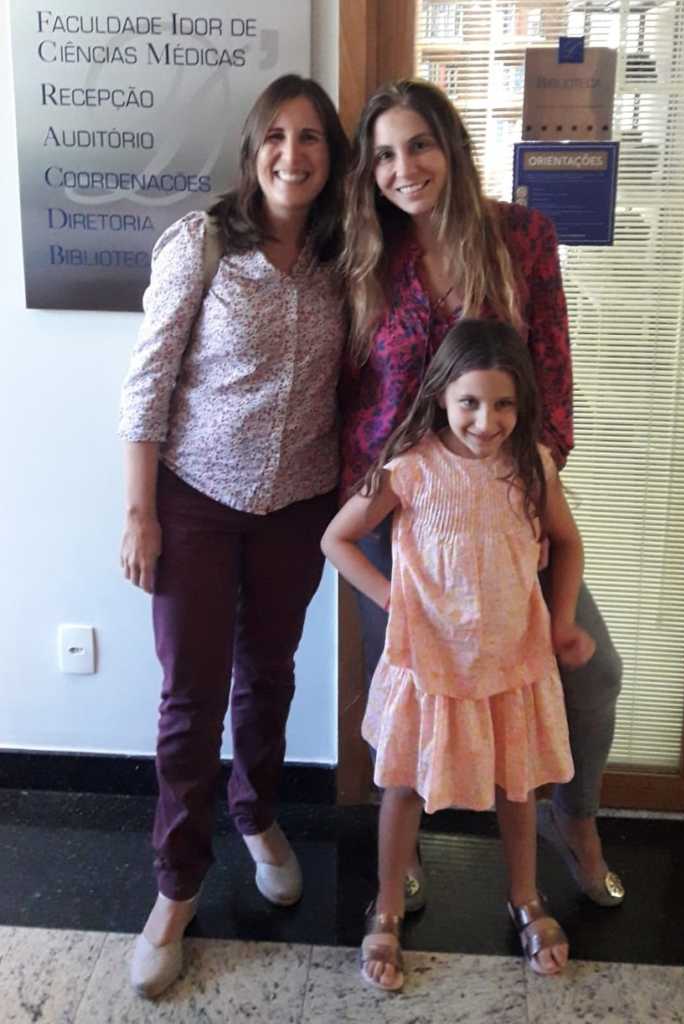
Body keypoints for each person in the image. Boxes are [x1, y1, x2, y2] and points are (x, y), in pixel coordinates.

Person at [340, 79, 624, 915]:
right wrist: (369, 491)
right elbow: (349, 388)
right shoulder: (364, 254)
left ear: (451, 148)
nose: (403, 168)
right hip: (403, 517)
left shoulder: (520, 237)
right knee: (408, 696)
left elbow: (552, 370)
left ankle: (575, 822)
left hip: (503, 505)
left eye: (418, 145)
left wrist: (529, 480)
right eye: (383, 155)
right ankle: (402, 851)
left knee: (590, 675)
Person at [118, 73, 349, 999]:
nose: (293, 154)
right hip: (196, 501)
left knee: (269, 675)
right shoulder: (204, 242)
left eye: (311, 138)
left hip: (299, 505)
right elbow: (147, 380)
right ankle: (175, 887)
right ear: (254, 150)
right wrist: (140, 512)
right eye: (277, 137)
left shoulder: (345, 255)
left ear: (331, 157)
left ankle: (256, 815)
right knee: (191, 696)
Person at [323, 320, 596, 990]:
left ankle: (525, 896)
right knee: (402, 785)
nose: (485, 420)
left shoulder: (532, 465)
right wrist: (393, 599)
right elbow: (337, 540)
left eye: (503, 404)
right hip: (429, 661)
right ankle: (387, 905)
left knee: (518, 786)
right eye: (469, 402)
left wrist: (562, 621)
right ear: (441, 394)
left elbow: (567, 543)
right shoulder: (410, 468)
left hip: (511, 658)